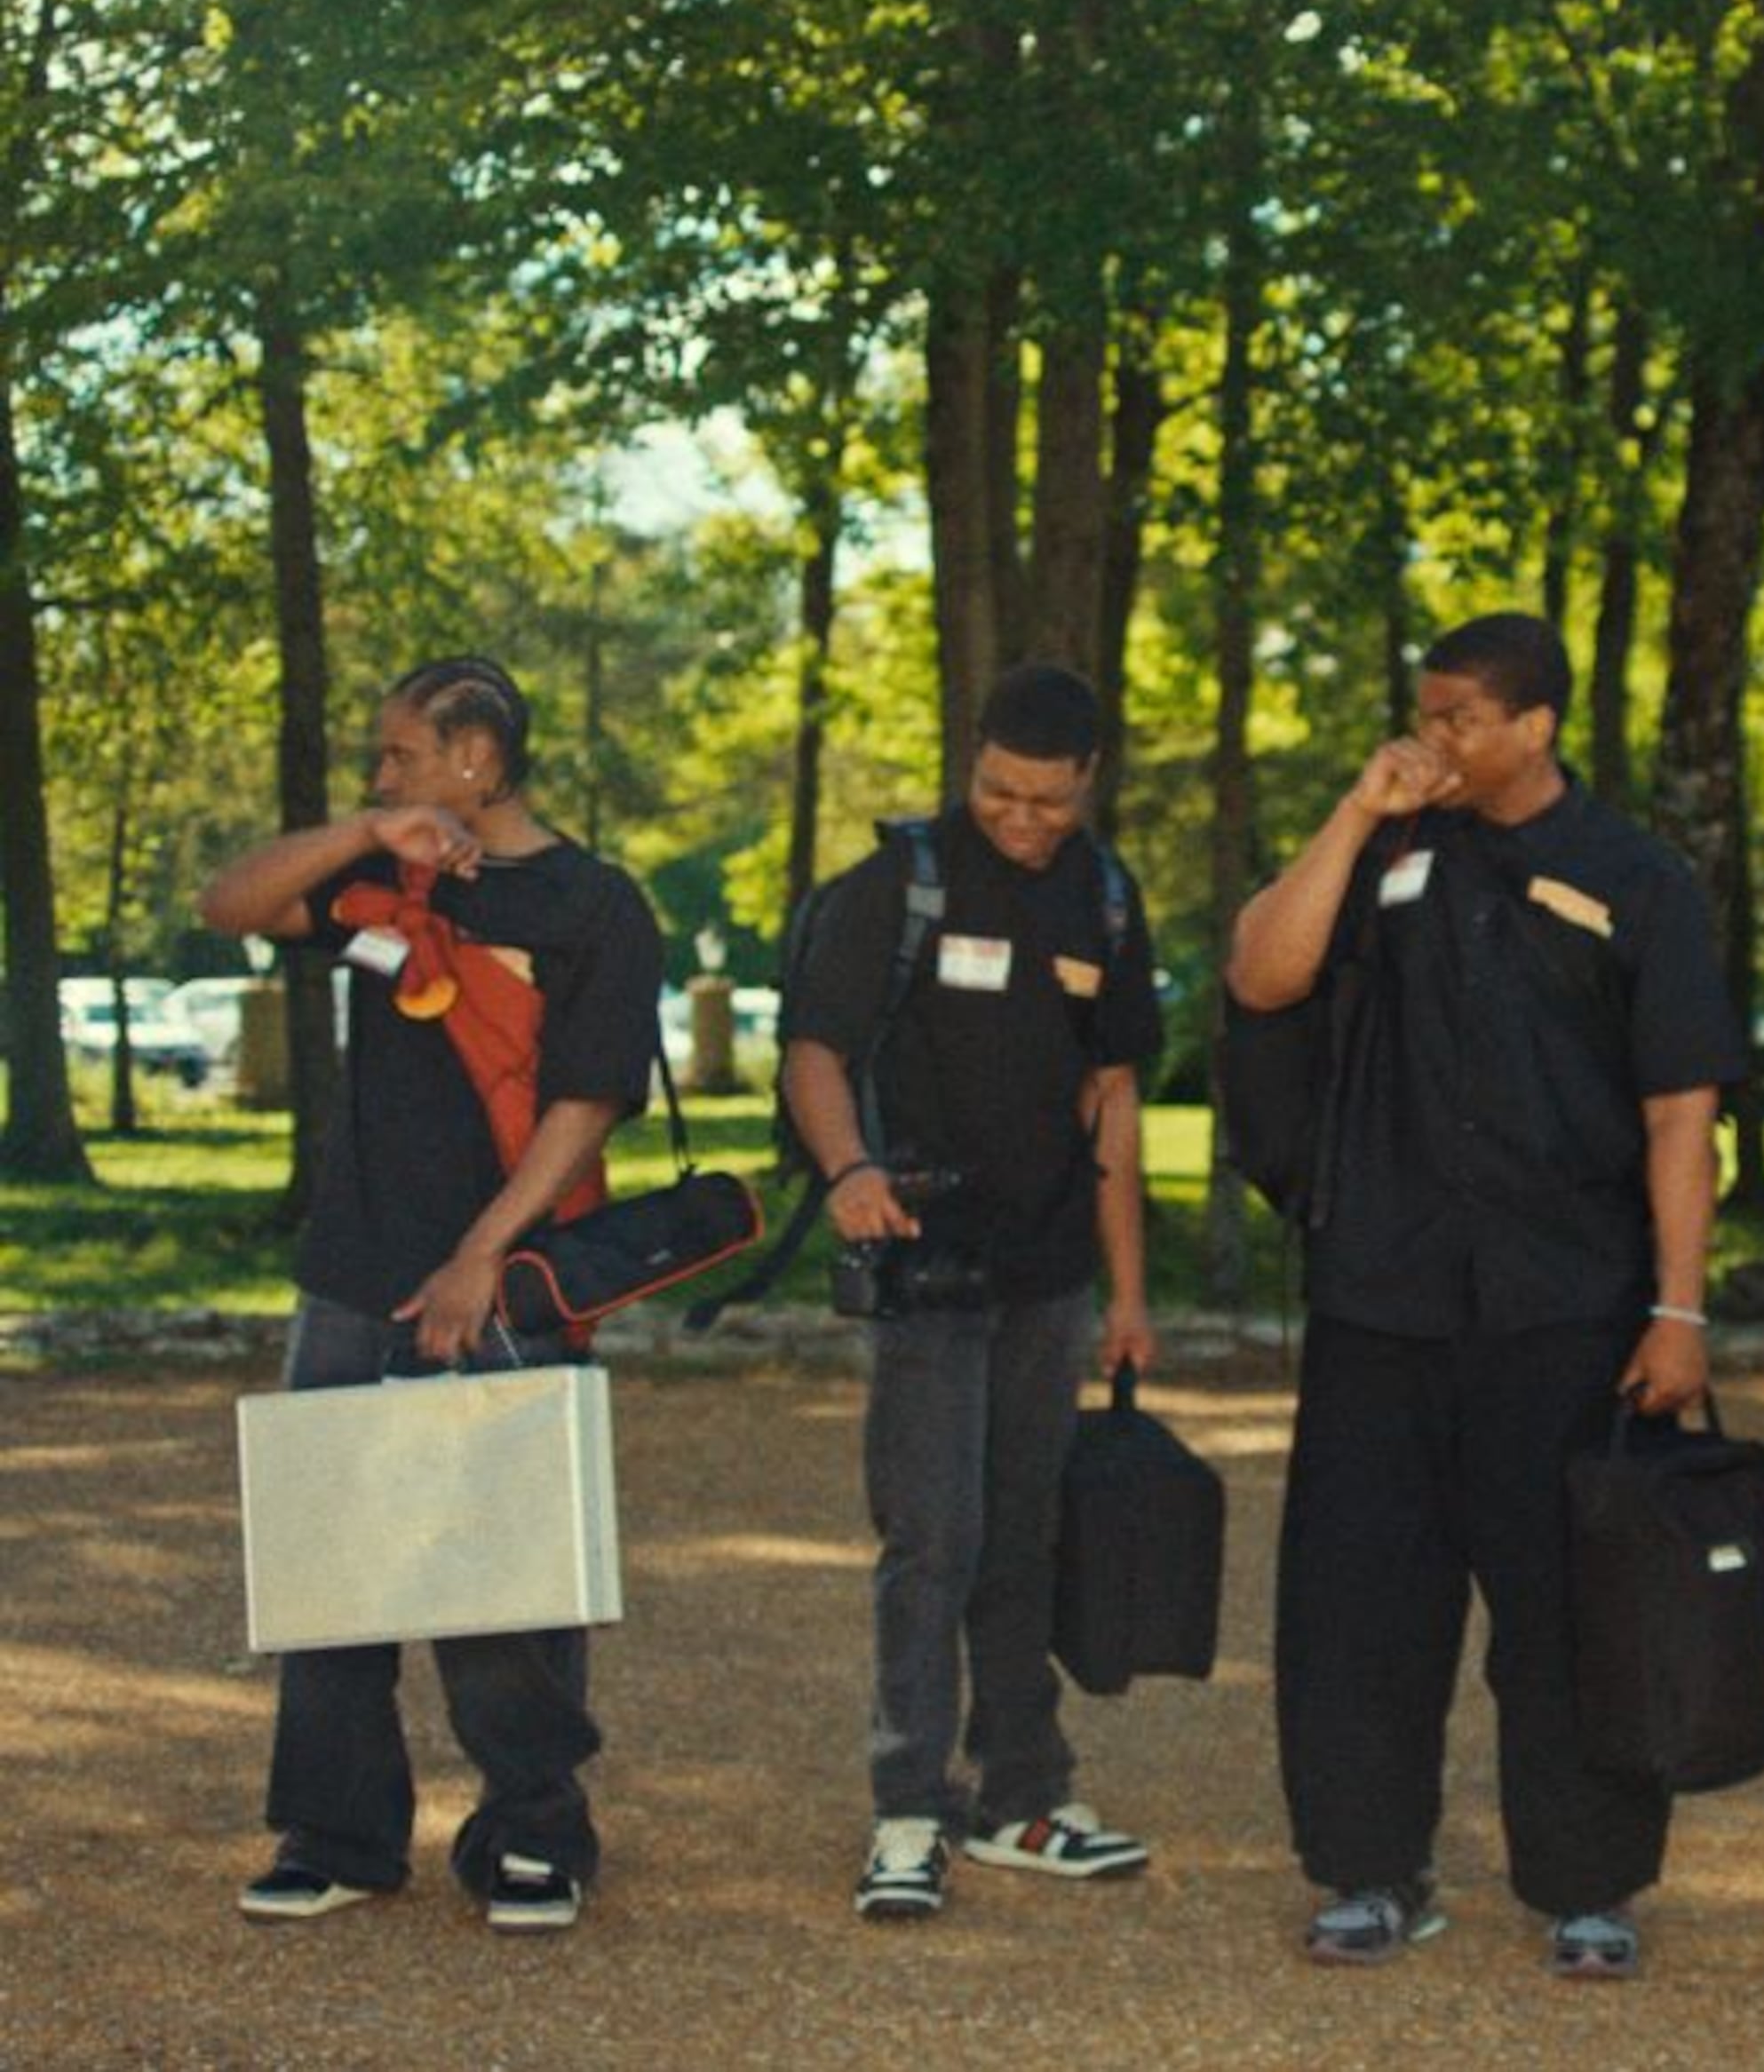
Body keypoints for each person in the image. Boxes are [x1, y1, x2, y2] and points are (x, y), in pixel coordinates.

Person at [1226, 612, 1743, 1981]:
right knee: (1358, 1608)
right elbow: (1261, 973)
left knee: (1570, 1608)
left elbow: (1681, 1109)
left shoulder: (1635, 876)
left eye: (1456, 716)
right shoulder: (1389, 848)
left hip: (1566, 1305)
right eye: (1424, 711)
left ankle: (1589, 1884)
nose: (1429, 735)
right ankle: (1369, 1868)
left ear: (1536, 725)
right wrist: (1355, 809)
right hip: (1381, 1296)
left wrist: (1679, 1310)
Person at [200, 656, 664, 1934]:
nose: (383, 773)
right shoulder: (388, 885)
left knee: (506, 1558)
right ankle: (338, 1830)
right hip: (354, 1264)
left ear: (477, 755)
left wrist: (478, 1256)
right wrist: (365, 830)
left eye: (400, 756)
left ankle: (533, 1830)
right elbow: (227, 905)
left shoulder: (597, 904)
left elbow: (586, 1105)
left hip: (513, 1271)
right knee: (333, 1556)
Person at [779, 663, 1162, 1922]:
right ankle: (908, 1809)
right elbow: (814, 1049)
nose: (1022, 818)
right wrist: (849, 1168)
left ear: (1089, 781)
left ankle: (1023, 1797)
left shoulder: (1108, 900)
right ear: (973, 760)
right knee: (930, 1539)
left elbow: (1114, 1103)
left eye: (1048, 801)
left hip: (1048, 1275)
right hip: (926, 1267)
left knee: (1025, 1533)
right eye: (1000, 790)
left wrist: (1127, 1291)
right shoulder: (902, 882)